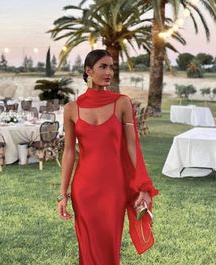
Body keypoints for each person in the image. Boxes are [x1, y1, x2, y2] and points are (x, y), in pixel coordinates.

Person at [57, 49, 158, 265]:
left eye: (111, 66)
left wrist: (142, 184)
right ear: (88, 71)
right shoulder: (71, 109)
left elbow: (133, 147)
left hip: (114, 188)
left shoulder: (121, 102)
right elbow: (68, 152)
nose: (109, 71)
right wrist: (62, 194)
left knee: (110, 244)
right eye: (103, 66)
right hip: (84, 189)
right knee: (87, 246)